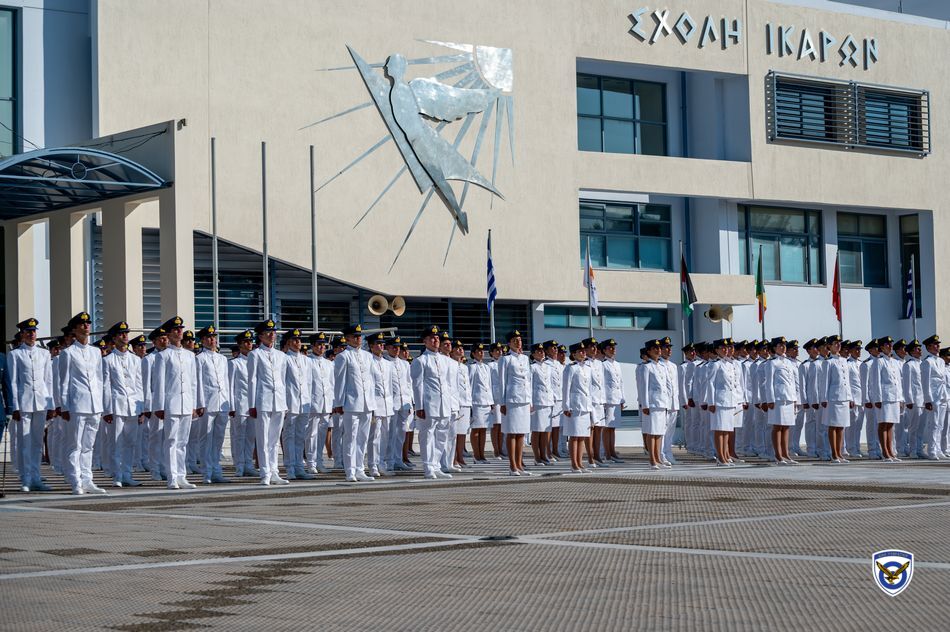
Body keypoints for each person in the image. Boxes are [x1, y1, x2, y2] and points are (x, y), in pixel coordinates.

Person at [58, 311, 107, 495]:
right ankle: (75, 480)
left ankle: (88, 480)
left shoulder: (95, 352)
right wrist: (64, 406)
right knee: (75, 445)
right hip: (77, 405)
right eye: (82, 324)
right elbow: (63, 382)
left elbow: (99, 379)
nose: (86, 326)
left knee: (88, 446)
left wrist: (101, 404)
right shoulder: (68, 353)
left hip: (94, 405)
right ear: (74, 329)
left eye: (88, 323)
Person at [152, 316, 201, 490]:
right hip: (171, 403)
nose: (179, 332)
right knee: (171, 440)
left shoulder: (190, 355)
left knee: (183, 441)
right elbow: (159, 383)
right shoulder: (163, 356)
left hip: (186, 403)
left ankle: (181, 476)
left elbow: (193, 382)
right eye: (175, 329)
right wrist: (159, 406)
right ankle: (172, 476)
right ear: (169, 333)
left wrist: (194, 404)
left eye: (180, 329)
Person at [7, 318, 54, 492]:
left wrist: (51, 405)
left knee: (36, 442)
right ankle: (26, 478)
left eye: (33, 331)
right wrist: (15, 407)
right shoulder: (15, 354)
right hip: (24, 403)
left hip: (41, 402)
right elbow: (13, 382)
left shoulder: (44, 354)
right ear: (22, 334)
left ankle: (36, 477)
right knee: (24, 442)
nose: (32, 334)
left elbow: (48, 381)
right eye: (28, 332)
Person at [101, 321, 144, 487]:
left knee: (130, 442)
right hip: (117, 405)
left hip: (133, 406)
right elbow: (106, 386)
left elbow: (139, 385)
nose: (125, 336)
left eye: (126, 333)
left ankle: (127, 474)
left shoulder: (135, 360)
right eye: (121, 334)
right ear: (114, 338)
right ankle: (117, 475)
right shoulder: (108, 360)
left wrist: (141, 408)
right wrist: (107, 410)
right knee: (116, 442)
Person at [333, 324, 377, 482]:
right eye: (355, 336)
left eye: (360, 336)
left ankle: (360, 469)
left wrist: (373, 402)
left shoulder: (368, 356)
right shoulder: (343, 356)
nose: (359, 339)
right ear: (348, 338)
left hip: (366, 403)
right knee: (350, 438)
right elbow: (339, 382)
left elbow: (371, 381)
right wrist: (339, 403)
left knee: (363, 438)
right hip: (351, 403)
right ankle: (350, 470)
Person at [247, 319, 290, 485]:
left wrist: (285, 403)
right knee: (263, 439)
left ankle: (274, 471)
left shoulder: (281, 356)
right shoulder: (255, 354)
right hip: (263, 401)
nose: (272, 335)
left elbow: (283, 381)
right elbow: (252, 380)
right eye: (268, 333)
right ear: (260, 336)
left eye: (273, 332)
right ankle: (265, 472)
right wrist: (252, 404)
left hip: (278, 401)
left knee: (274, 439)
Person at [410, 325, 454, 479]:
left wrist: (451, 404)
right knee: (427, 435)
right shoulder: (421, 361)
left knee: (441, 436)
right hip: (429, 404)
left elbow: (448, 385)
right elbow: (417, 385)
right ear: (425, 341)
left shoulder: (445, 360)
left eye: (437, 338)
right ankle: (428, 466)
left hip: (444, 404)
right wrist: (419, 406)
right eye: (432, 338)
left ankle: (436, 465)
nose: (436, 340)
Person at [195, 325, 232, 483]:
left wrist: (229, 403)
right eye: (209, 338)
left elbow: (226, 382)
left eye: (214, 337)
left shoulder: (222, 359)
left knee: (218, 438)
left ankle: (216, 470)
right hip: (208, 403)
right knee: (206, 438)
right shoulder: (199, 358)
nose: (212, 340)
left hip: (222, 402)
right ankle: (206, 472)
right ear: (203, 340)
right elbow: (198, 382)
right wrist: (200, 403)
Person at [704, 338, 745, 466]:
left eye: (727, 348)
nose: (726, 350)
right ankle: (720, 457)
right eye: (722, 348)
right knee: (719, 430)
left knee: (727, 430)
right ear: (716, 350)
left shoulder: (729, 364)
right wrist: (711, 402)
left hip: (730, 401)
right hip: (720, 401)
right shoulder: (715, 364)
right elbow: (710, 384)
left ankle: (726, 456)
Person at [498, 329, 533, 476]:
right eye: (515, 340)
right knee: (512, 433)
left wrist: (530, 401)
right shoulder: (505, 359)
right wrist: (502, 402)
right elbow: (502, 382)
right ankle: (512, 466)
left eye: (519, 340)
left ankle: (519, 464)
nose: (518, 343)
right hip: (511, 400)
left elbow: (529, 380)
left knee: (521, 434)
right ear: (509, 343)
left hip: (524, 399)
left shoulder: (525, 359)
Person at [281, 328, 313, 480]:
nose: (297, 342)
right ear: (288, 342)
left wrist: (309, 402)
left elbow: (309, 383)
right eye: (294, 340)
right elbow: (282, 382)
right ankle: (290, 467)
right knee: (289, 435)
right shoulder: (284, 358)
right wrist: (284, 403)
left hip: (304, 402)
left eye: (299, 340)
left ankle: (300, 466)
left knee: (301, 435)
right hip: (291, 402)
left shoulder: (307, 360)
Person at [763, 336, 799, 465]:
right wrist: (770, 400)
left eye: (784, 345)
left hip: (788, 397)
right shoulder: (772, 363)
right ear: (774, 348)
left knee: (786, 427)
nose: (783, 347)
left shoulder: (788, 362)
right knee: (777, 427)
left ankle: (786, 454)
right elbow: (769, 383)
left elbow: (792, 382)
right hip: (778, 399)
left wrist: (794, 399)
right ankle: (778, 455)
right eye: (780, 345)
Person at [818, 335, 853, 463]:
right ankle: (834, 454)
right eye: (835, 343)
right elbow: (825, 382)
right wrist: (824, 398)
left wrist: (850, 397)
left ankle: (840, 453)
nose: (838, 345)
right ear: (829, 346)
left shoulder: (844, 361)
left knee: (841, 426)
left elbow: (847, 381)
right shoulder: (828, 362)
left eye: (839, 343)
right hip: (833, 398)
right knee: (833, 426)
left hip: (844, 397)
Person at [868, 336, 903, 462]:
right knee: (883, 424)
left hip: (894, 397)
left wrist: (900, 398)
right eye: (887, 345)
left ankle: (891, 451)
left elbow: (898, 382)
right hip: (884, 397)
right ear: (882, 347)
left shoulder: (895, 362)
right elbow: (875, 381)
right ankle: (885, 452)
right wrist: (877, 399)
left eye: (890, 344)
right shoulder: (879, 361)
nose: (890, 346)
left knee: (891, 425)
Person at [639, 339, 671, 469]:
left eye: (659, 348)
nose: (658, 350)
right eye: (655, 349)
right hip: (652, 404)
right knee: (652, 432)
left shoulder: (662, 367)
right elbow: (644, 387)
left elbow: (666, 387)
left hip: (662, 403)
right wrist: (645, 405)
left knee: (659, 432)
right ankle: (652, 460)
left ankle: (658, 459)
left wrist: (667, 403)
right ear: (648, 351)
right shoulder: (646, 367)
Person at [229, 330, 257, 477]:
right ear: (240, 345)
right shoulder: (234, 363)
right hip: (240, 404)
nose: (249, 344)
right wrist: (232, 406)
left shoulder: (255, 361)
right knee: (239, 436)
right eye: (246, 342)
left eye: (250, 341)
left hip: (253, 405)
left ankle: (248, 464)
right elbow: (230, 386)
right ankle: (239, 465)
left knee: (251, 437)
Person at [366, 331, 394, 477]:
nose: (381, 346)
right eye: (378, 344)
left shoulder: (388, 364)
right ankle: (372, 465)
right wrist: (370, 406)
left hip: (387, 404)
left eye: (383, 343)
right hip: (375, 404)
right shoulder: (368, 362)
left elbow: (389, 386)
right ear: (371, 346)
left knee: (385, 437)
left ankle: (381, 463)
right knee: (374, 437)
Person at [562, 342, 593, 473]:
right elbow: (566, 388)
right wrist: (566, 406)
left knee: (582, 436)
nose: (583, 353)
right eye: (580, 351)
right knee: (574, 436)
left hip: (585, 406)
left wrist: (591, 408)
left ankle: (580, 463)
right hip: (574, 406)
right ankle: (574, 464)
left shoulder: (588, 368)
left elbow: (589, 389)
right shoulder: (570, 368)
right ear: (573, 354)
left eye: (584, 350)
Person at [143, 326, 169, 481]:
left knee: (168, 437)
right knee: (155, 437)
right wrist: (147, 406)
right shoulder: (149, 359)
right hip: (155, 402)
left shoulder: (170, 355)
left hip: (170, 402)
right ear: (154, 342)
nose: (164, 340)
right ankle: (155, 468)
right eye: (161, 339)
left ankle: (165, 467)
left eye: (165, 338)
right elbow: (146, 384)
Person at [385, 336, 413, 472]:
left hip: (404, 402)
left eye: (398, 347)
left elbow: (409, 384)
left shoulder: (405, 364)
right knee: (390, 433)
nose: (396, 349)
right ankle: (389, 460)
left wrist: (411, 402)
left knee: (401, 433)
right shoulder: (385, 363)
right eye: (394, 347)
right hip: (392, 403)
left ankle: (398, 459)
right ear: (387, 348)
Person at [308, 332, 334, 474]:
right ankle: (311, 462)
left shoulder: (328, 363)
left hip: (326, 403)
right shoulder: (308, 361)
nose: (322, 347)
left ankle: (319, 461)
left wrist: (333, 402)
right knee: (311, 434)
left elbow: (332, 384)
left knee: (322, 434)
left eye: (323, 345)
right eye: (319, 344)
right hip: (313, 403)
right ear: (312, 346)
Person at [921, 335, 947, 460]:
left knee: (940, 424)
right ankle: (931, 450)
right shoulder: (927, 362)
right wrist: (928, 400)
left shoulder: (941, 361)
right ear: (929, 347)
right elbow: (925, 382)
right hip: (933, 397)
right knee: (934, 424)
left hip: (943, 395)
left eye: (938, 344)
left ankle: (938, 449)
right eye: (935, 345)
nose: (937, 346)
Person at [467, 342, 493, 464]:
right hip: (476, 402)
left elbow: (489, 385)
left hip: (486, 401)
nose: (481, 353)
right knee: (476, 429)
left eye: (482, 351)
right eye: (478, 351)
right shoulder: (471, 367)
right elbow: (470, 386)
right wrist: (470, 403)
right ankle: (476, 456)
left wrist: (491, 401)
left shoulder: (486, 367)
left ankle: (482, 455)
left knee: (483, 430)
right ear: (473, 354)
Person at [528, 342, 553, 466]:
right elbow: (529, 386)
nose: (541, 352)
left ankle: (544, 455)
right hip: (537, 401)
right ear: (533, 354)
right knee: (537, 430)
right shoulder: (532, 367)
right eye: (538, 351)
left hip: (548, 401)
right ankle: (537, 457)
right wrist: (530, 403)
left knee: (546, 430)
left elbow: (550, 385)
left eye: (542, 350)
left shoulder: (548, 367)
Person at [601, 338, 625, 463]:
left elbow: (620, 383)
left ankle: (612, 451)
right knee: (607, 427)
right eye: (610, 347)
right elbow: (602, 383)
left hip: (617, 398)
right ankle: (607, 453)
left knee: (613, 427)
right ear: (604, 350)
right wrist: (603, 400)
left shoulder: (617, 364)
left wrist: (622, 399)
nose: (613, 349)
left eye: (614, 347)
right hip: (608, 399)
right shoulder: (603, 364)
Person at [451, 340, 472, 469]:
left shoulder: (464, 367)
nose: (460, 350)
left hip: (465, 402)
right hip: (455, 402)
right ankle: (453, 458)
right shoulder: (450, 364)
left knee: (462, 432)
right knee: (454, 433)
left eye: (461, 348)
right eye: (457, 348)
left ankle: (460, 457)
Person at [902, 340, 924, 458]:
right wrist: (909, 400)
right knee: (913, 427)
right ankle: (913, 450)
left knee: (921, 427)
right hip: (915, 400)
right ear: (911, 352)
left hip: (924, 400)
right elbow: (907, 384)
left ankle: (920, 449)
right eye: (917, 348)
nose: (920, 350)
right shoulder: (909, 365)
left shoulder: (923, 363)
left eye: (920, 348)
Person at [845, 340, 866, 458]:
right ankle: (850, 448)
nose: (859, 351)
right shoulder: (847, 364)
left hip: (862, 399)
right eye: (856, 349)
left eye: (859, 349)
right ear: (851, 351)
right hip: (853, 399)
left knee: (859, 426)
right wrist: (850, 398)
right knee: (851, 426)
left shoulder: (862, 364)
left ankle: (856, 447)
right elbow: (847, 383)